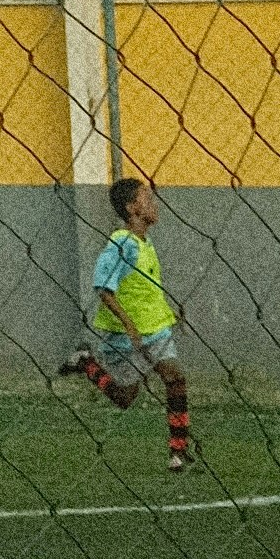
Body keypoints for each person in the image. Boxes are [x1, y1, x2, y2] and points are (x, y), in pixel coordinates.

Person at [61, 176, 194, 470]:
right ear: (132, 208)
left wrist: (171, 313)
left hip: (156, 329)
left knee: (175, 379)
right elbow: (103, 287)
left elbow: (144, 289)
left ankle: (178, 451)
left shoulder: (146, 243)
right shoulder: (121, 243)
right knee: (124, 398)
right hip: (125, 336)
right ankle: (86, 362)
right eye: (147, 200)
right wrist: (130, 326)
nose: (154, 205)